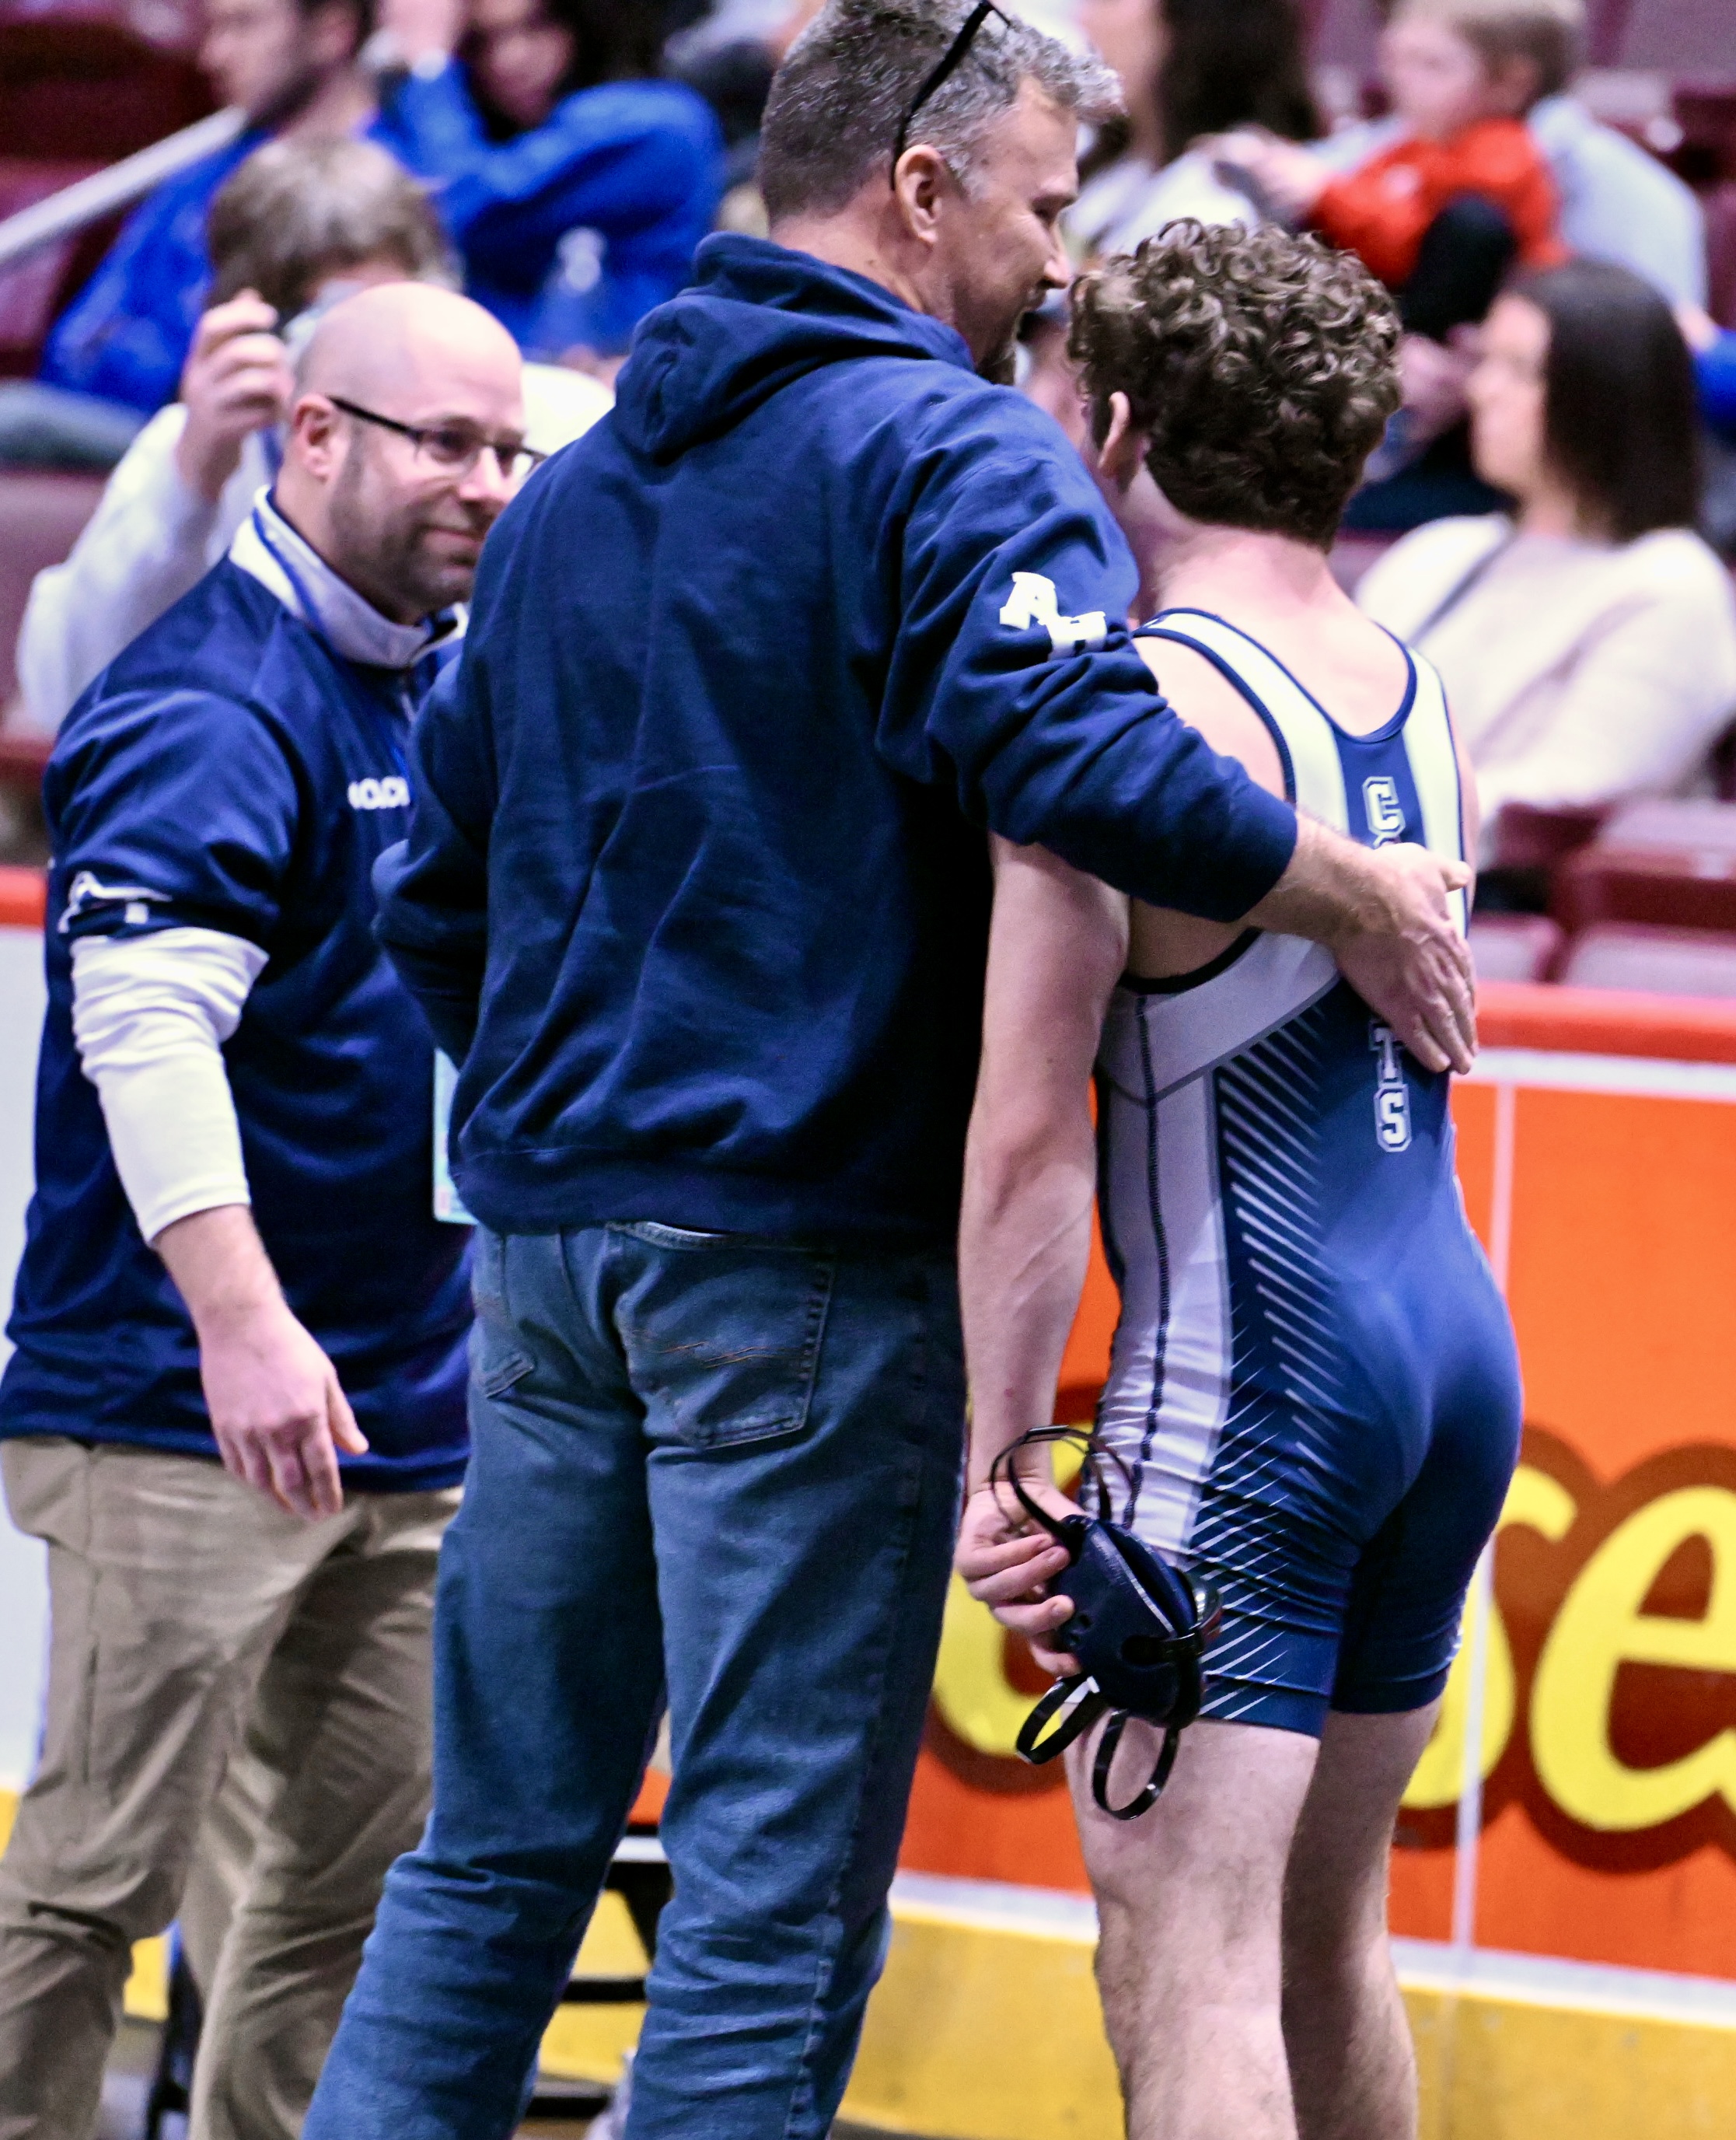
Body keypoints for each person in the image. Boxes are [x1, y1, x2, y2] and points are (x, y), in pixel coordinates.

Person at [298, 5, 1476, 2137]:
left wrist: (571, 1104)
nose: (1054, 264)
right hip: (804, 1262)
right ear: (921, 194)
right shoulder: (954, 451)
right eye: (1040, 208)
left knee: (486, 1864)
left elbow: (434, 887)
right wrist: (1350, 893)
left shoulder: (564, 503)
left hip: (551, 1255)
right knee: (764, 1906)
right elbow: (1080, 761)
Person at [954, 220, 1522, 2140]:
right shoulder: (1410, 676)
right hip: (1445, 1341)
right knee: (1323, 1930)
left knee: (1184, 1945)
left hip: (1253, 1376)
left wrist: (1003, 1449)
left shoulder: (1121, 712)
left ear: (1108, 420)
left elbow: (1030, 1132)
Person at [0, 282, 532, 2140]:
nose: (483, 481)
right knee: (87, 1888)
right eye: (443, 443)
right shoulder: (210, 700)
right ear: (310, 436)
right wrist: (243, 1320)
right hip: (174, 1405)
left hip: (404, 1408)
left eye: (502, 448)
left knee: (346, 1904)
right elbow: (143, 1030)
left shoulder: (452, 677)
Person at [12, 136, 612, 738]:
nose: (359, 352)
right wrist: (191, 479)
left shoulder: (564, 424)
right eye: (320, 323)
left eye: (385, 315)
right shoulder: (203, 444)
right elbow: (67, 694)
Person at [1357, 261, 1736, 855]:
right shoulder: (1440, 549)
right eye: (1485, 362)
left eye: (1517, 370)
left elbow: (1567, 802)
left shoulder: (1672, 583)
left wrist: (1335, 836)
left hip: (1487, 908)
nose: (1481, 390)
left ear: (1606, 395)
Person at [29, 0, 382, 435]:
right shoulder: (197, 178)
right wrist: (184, 368)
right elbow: (73, 348)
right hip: (158, 428)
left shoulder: (409, 180)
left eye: (243, 25)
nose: (212, 56)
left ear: (333, 30)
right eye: (214, 28)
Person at [374, 0, 725, 360]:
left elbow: (460, 204)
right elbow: (367, 184)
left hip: (625, 394)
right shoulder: (460, 133)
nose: (510, 60)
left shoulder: (659, 125)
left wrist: (430, 70)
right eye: (478, 42)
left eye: (537, 25)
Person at [1070, 0, 1319, 260]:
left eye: (1109, 2)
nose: (1083, 19)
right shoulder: (1117, 163)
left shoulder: (1223, 197)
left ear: (1195, 19)